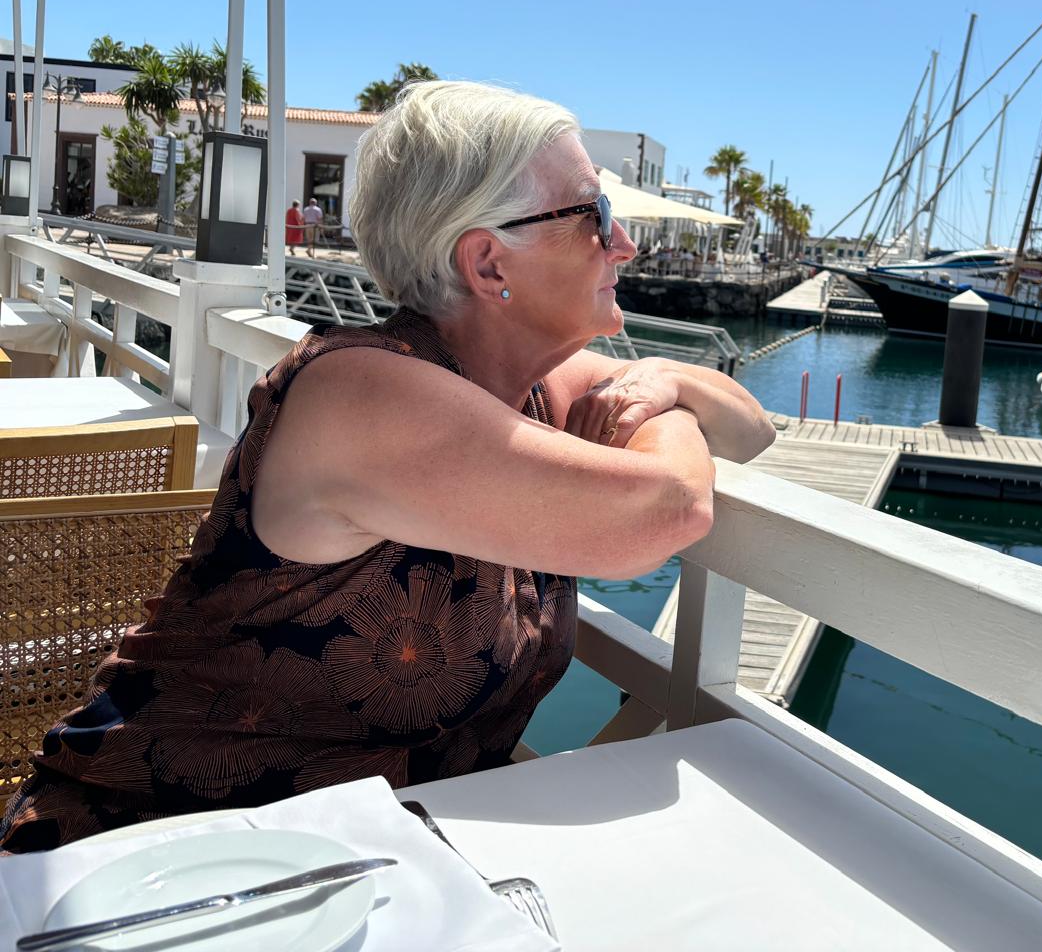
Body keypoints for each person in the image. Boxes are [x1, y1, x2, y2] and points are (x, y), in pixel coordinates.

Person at [0, 81, 774, 852]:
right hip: (145, 862)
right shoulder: (361, 393)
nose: (625, 244)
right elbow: (669, 508)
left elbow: (752, 431)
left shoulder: (534, 389)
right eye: (595, 215)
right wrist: (660, 405)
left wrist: (665, 382)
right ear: (486, 260)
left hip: (357, 873)